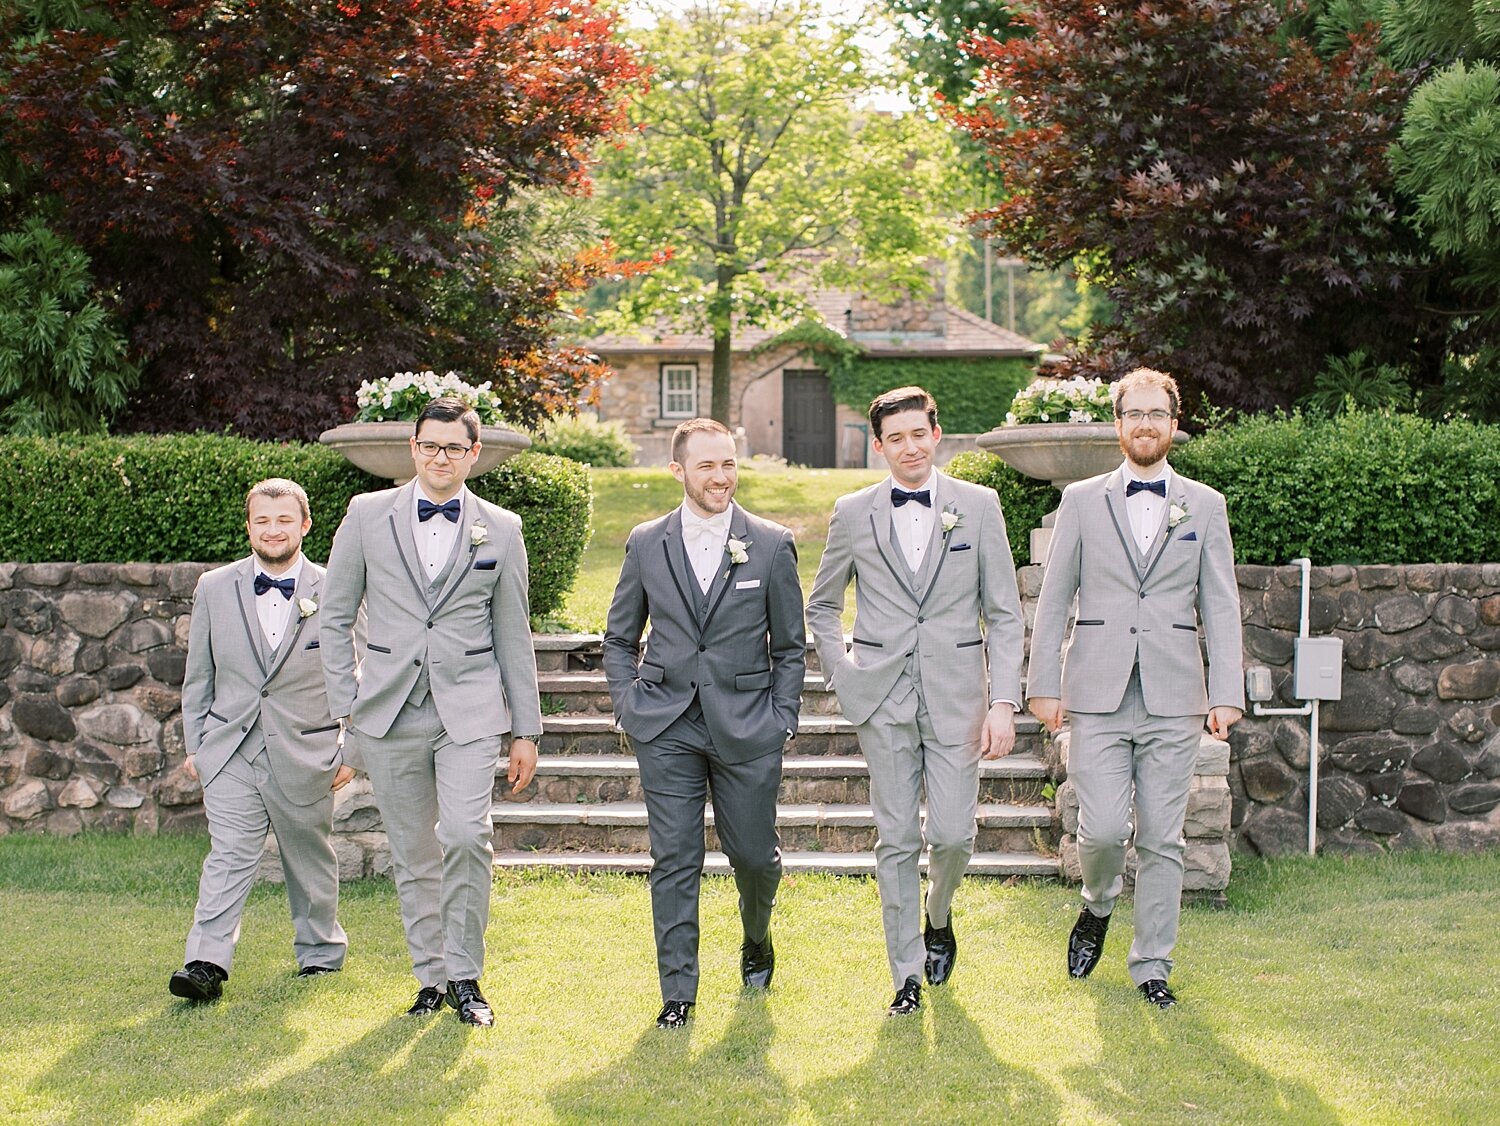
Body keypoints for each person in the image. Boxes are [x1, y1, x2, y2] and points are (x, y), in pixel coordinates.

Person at [320, 396, 542, 1027]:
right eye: (429, 445)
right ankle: (430, 976)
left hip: (469, 711)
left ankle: (466, 976)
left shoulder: (501, 528)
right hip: (387, 710)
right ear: (413, 449)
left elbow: (513, 634)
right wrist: (349, 708)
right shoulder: (366, 515)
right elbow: (335, 617)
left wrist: (526, 728)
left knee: (468, 837)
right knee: (413, 852)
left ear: (474, 454)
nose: (439, 457)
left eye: (453, 447)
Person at [1027, 367, 1244, 1009]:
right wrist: (1043, 684)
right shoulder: (1080, 500)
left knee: (1161, 838)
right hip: (1095, 689)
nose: (1145, 424)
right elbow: (1055, 595)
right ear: (1117, 424)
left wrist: (1225, 691)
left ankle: (1152, 965)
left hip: (1176, 694)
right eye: (1134, 414)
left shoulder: (1204, 504)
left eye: (1157, 414)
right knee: (1098, 833)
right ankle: (1096, 903)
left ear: (1175, 425)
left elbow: (1222, 603)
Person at [807, 386, 1024, 1016]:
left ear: (936, 433)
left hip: (959, 697)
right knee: (897, 836)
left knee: (953, 835)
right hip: (881, 696)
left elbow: (1005, 615)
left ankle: (938, 913)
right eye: (894, 438)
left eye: (918, 434)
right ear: (879, 446)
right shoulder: (852, 512)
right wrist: (844, 673)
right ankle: (904, 972)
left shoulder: (979, 508)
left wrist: (1004, 701)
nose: (909, 447)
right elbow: (822, 605)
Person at [603, 418, 805, 1030]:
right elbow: (618, 637)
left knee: (752, 856)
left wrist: (782, 719)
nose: (721, 477)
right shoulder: (646, 541)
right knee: (674, 858)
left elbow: (791, 647)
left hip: (747, 725)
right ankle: (679, 993)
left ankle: (757, 937)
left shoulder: (770, 544)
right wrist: (628, 706)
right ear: (678, 471)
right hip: (665, 725)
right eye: (707, 466)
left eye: (728, 464)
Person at [171, 478, 353, 1003]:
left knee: (308, 856)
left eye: (284, 520)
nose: (273, 531)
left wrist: (352, 749)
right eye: (263, 521)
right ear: (249, 526)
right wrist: (196, 746)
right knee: (228, 854)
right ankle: (205, 962)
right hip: (230, 749)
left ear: (305, 525)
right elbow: (197, 675)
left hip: (308, 751)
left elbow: (359, 672)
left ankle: (319, 952)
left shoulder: (336, 588)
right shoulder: (214, 587)